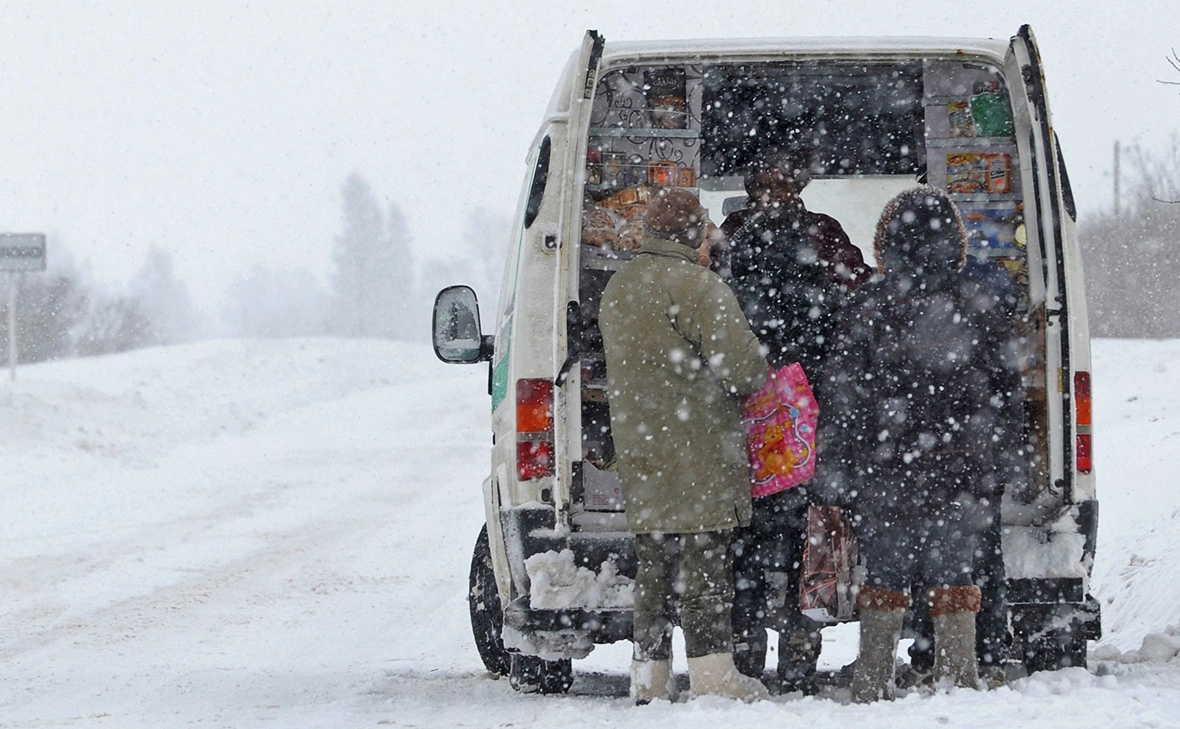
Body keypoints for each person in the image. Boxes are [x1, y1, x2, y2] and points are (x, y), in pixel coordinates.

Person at [819, 186, 1028, 702]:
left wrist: (838, 470)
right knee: (956, 571)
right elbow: (1006, 393)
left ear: (886, 244)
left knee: (885, 572)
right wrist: (1001, 462)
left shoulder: (866, 306)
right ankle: (958, 677)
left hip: (884, 469)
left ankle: (871, 681)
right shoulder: (979, 305)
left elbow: (842, 397)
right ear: (955, 242)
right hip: (960, 469)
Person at [598, 187, 771, 704]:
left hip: (642, 449)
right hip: (699, 450)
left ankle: (648, 678)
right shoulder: (700, 289)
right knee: (704, 568)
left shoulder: (618, 288)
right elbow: (745, 372)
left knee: (652, 565)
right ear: (695, 236)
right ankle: (714, 678)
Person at [722, 153, 869, 694]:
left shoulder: (731, 235)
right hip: (806, 407)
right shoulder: (823, 234)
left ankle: (746, 654)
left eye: (779, 179)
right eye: (770, 178)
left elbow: (713, 306)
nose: (776, 187)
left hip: (749, 403)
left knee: (748, 536)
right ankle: (798, 656)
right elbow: (859, 292)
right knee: (802, 540)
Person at [716, 151, 872, 290]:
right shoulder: (736, 226)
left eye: (783, 185)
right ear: (752, 190)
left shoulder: (824, 228)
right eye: (764, 186)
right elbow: (714, 277)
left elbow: (855, 280)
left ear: (797, 187)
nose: (774, 193)